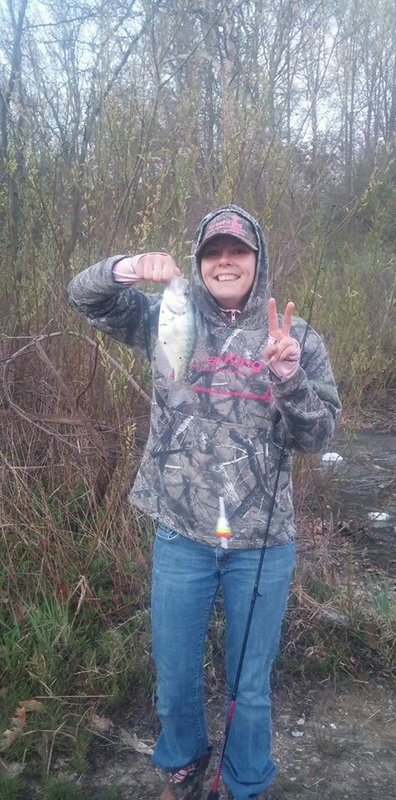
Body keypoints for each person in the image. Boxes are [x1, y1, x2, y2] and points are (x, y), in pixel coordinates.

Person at [67, 205, 341, 800]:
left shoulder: (297, 337)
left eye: (237, 251)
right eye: (213, 252)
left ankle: (244, 783)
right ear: (198, 262)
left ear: (257, 260)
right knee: (174, 677)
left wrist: (289, 379)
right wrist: (127, 267)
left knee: (252, 686)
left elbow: (318, 439)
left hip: (263, 542)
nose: (225, 261)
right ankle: (184, 768)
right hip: (180, 531)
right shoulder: (167, 314)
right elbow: (83, 296)